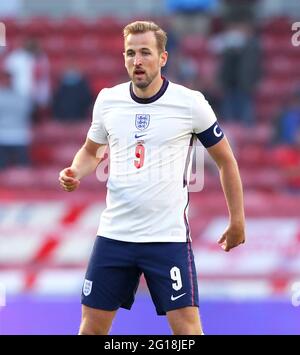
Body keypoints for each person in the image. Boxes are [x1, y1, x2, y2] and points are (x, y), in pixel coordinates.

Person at [59, 21, 245, 335]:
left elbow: (226, 161)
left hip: (166, 238)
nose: (137, 60)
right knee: (91, 327)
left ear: (163, 58)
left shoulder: (190, 103)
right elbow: (91, 152)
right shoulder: (108, 101)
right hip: (114, 235)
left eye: (146, 52)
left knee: (187, 329)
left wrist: (237, 219)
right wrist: (75, 170)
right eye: (131, 53)